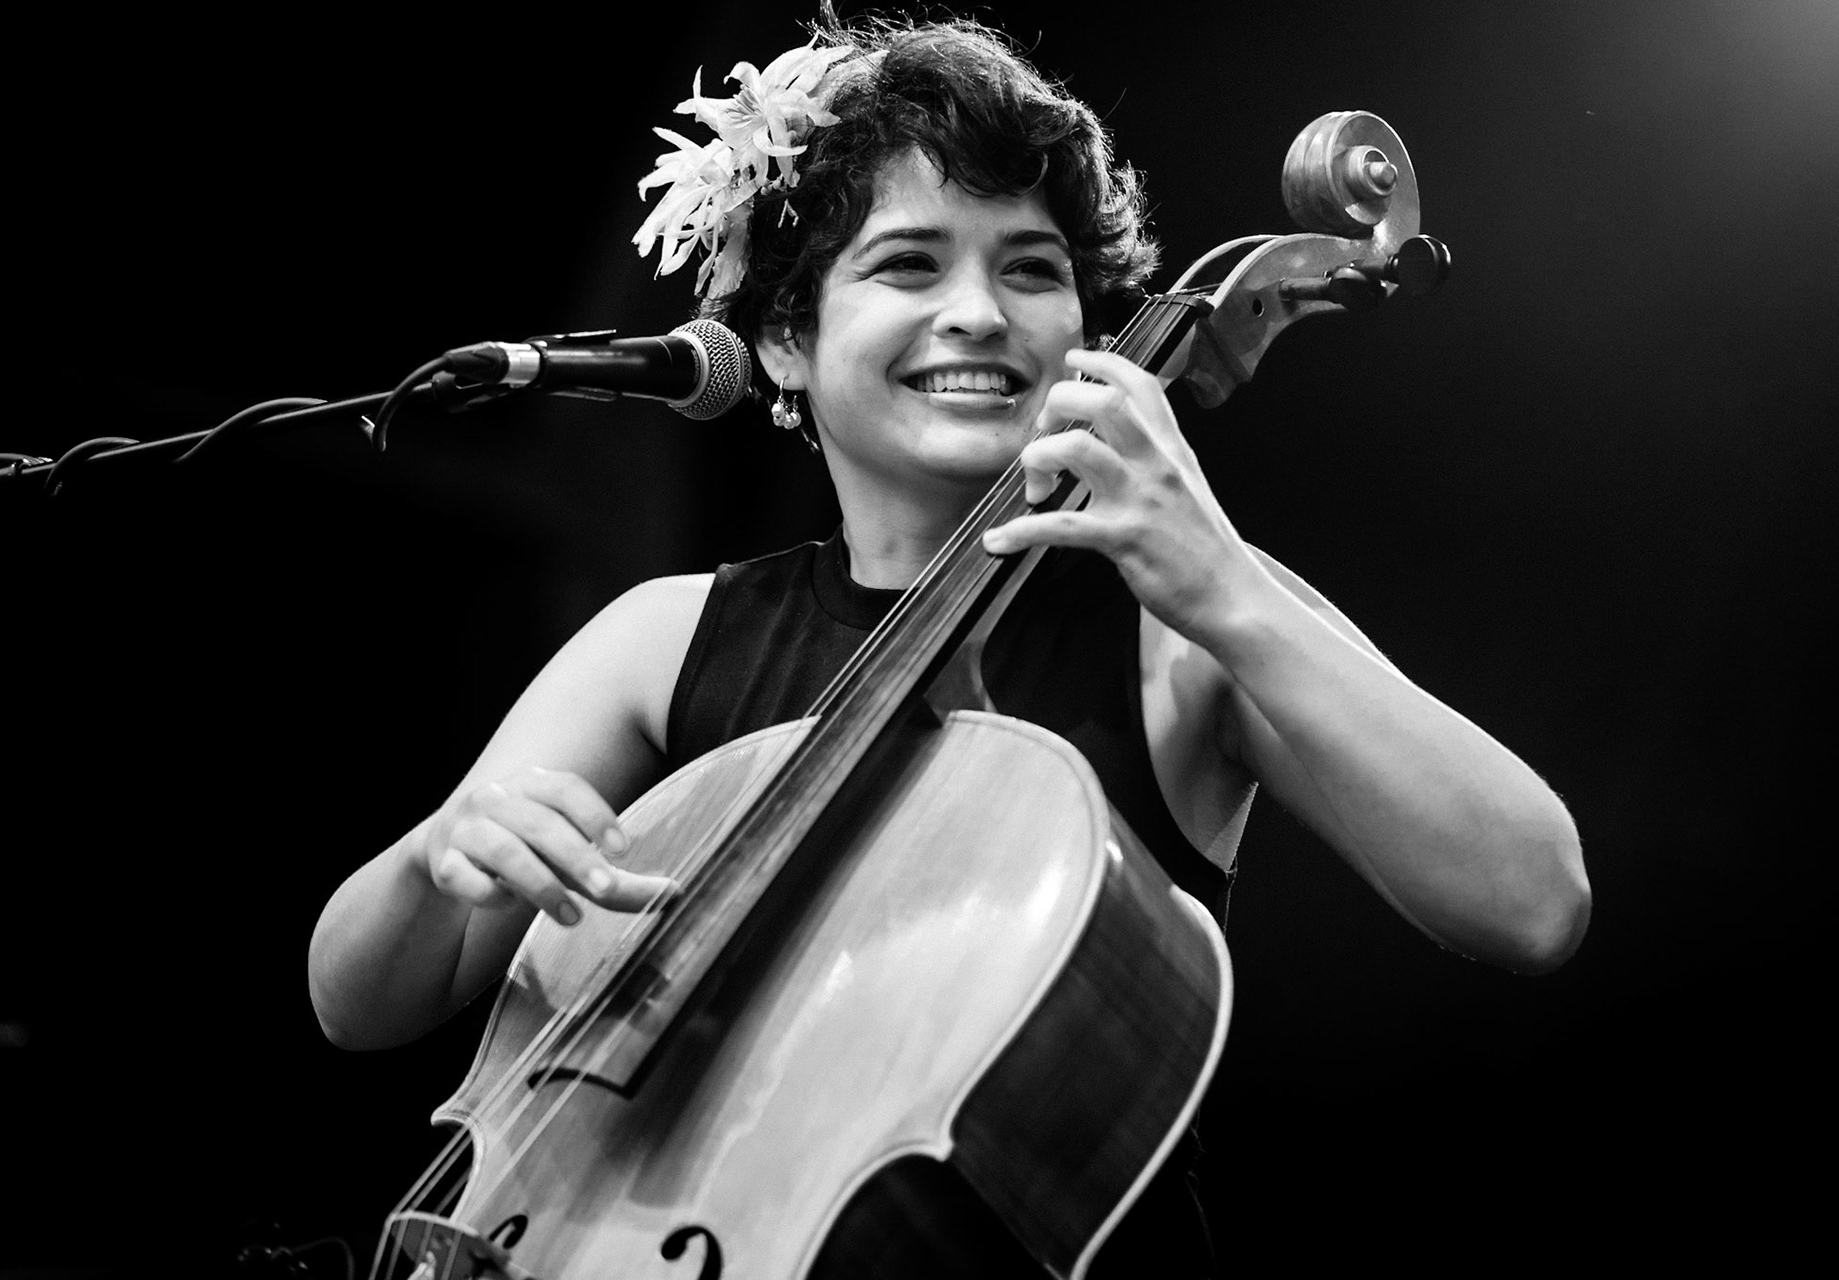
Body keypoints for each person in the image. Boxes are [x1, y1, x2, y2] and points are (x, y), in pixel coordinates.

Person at [307, 9, 1590, 1274]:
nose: (979, 312)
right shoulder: (663, 638)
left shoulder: (1182, 624)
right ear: (784, 338)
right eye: (909, 265)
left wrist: (1223, 586)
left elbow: (1532, 898)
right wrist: (435, 859)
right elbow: (359, 1000)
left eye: (1031, 270)